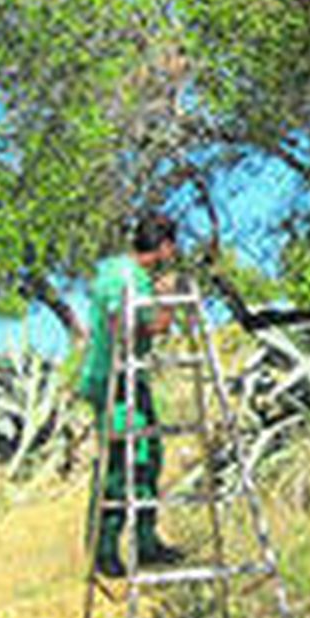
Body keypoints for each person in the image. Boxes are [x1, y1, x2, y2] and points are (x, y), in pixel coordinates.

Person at [77, 211, 184, 577]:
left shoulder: (115, 270)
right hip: (116, 381)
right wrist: (168, 299)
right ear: (165, 246)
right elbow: (144, 326)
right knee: (125, 462)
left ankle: (141, 539)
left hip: (117, 376)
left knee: (146, 453)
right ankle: (107, 550)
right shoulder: (129, 278)